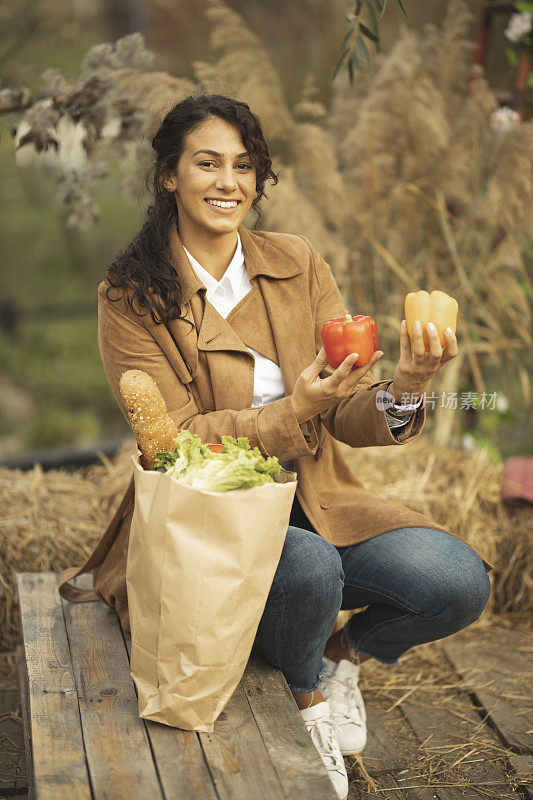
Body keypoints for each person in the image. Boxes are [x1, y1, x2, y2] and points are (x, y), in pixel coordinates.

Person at [62, 94, 493, 800]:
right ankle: (303, 701)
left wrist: (407, 385)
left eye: (244, 165)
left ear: (260, 179)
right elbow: (173, 443)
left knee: (454, 581)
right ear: (169, 175)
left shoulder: (295, 263)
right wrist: (294, 409)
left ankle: (334, 654)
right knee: (309, 570)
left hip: (317, 498)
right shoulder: (132, 295)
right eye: (207, 163)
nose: (228, 182)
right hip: (210, 520)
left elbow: (348, 409)